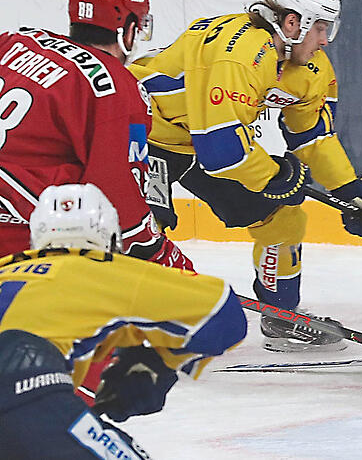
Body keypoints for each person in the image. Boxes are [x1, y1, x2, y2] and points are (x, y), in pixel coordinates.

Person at [128, 0, 362, 352]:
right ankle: (111, 323)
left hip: (197, 135)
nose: (325, 40)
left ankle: (282, 316)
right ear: (291, 22)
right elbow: (221, 151)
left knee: (283, 216)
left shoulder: (309, 67)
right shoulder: (241, 53)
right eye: (320, 27)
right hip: (142, 131)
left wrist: (349, 189)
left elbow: (312, 136)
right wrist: (274, 175)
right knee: (143, 231)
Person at [0, 183, 247, 459]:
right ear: (111, 239)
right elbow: (222, 313)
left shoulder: (6, 271)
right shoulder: (99, 268)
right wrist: (159, 363)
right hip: (25, 382)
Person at [0, 0, 193, 270]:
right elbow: (120, 200)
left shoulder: (14, 42)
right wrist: (163, 255)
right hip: (24, 257)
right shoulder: (116, 88)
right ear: (129, 29)